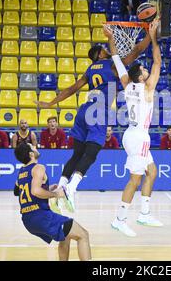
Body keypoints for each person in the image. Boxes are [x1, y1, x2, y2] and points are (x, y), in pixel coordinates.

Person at [35, 25, 151, 213]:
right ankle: (70, 190)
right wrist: (150, 36)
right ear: (99, 55)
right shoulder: (112, 65)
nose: (105, 49)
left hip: (84, 110)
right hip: (98, 110)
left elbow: (72, 88)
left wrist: (50, 103)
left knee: (77, 154)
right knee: (92, 153)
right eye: (102, 49)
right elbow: (137, 50)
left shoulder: (90, 70)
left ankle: (60, 186)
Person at [106, 18, 163, 237]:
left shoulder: (127, 84)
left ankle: (145, 213)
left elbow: (117, 62)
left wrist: (112, 39)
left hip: (134, 134)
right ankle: (120, 219)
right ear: (141, 76)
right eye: (145, 69)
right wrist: (154, 36)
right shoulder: (147, 87)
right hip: (138, 137)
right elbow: (157, 62)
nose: (149, 70)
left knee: (152, 171)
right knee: (135, 179)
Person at [13, 142, 91, 261]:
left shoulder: (22, 171)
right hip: (41, 216)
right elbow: (35, 191)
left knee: (65, 236)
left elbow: (18, 191)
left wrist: (47, 189)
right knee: (83, 235)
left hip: (27, 219)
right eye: (33, 147)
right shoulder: (38, 167)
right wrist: (55, 194)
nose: (36, 147)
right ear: (31, 154)